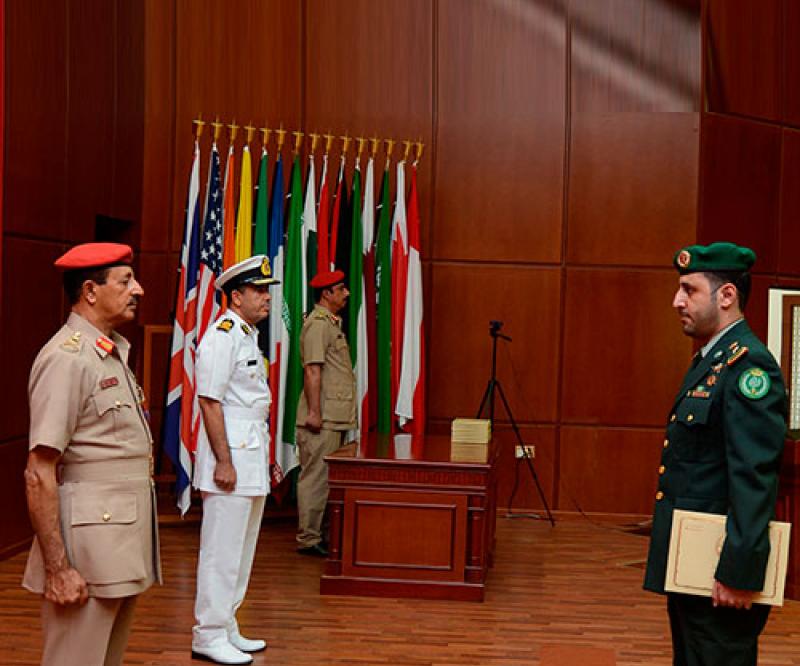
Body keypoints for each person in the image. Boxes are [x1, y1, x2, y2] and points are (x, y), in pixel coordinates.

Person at [644, 242, 787, 666]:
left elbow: (753, 475)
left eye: (689, 290)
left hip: (720, 575)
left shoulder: (748, 367)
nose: (677, 301)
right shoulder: (713, 360)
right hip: (695, 566)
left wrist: (738, 571)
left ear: (726, 295)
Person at [22, 242, 160, 666]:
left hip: (117, 543)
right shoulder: (67, 358)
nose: (138, 290)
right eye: (126, 281)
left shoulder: (108, 351)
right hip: (88, 551)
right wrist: (58, 569)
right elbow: (38, 472)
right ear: (90, 290)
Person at [191, 255, 278, 665]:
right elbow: (210, 402)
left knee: (241, 550)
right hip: (231, 457)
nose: (266, 297)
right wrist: (224, 462)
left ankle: (226, 624)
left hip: (250, 452)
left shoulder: (245, 335)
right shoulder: (222, 336)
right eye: (258, 290)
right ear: (236, 296)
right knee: (221, 552)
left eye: (266, 291)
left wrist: (264, 459)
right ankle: (207, 633)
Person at [295, 270, 357, 557]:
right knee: (316, 478)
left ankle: (320, 534)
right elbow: (312, 370)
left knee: (327, 479)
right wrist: (315, 413)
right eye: (341, 289)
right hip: (322, 418)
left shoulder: (331, 324)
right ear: (326, 293)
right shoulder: (318, 325)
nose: (346, 293)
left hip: (334, 415)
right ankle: (309, 539)